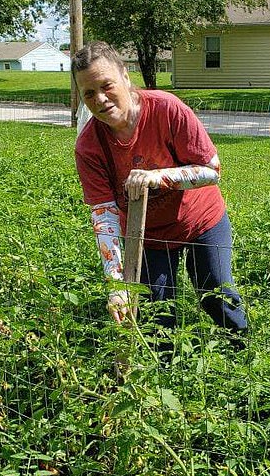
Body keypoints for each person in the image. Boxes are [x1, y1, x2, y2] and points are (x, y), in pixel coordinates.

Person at [72, 41, 247, 344]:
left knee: (215, 293)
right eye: (89, 93)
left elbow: (212, 170)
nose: (100, 99)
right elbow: (104, 215)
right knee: (157, 312)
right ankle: (165, 373)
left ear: (125, 76)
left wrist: (159, 177)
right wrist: (117, 285)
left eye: (106, 85)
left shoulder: (166, 109)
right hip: (148, 236)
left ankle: (243, 353)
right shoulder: (89, 146)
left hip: (200, 221)